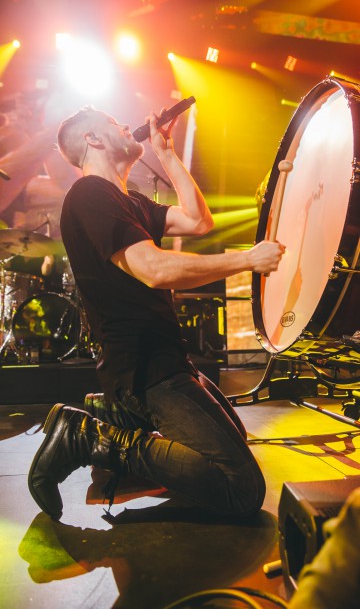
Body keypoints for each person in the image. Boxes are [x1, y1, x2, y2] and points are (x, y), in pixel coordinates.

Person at [28, 104, 285, 521]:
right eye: (114, 123)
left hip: (165, 362)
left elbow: (198, 221)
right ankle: (91, 438)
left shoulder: (127, 200)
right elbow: (154, 269)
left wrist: (166, 153)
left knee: (232, 443)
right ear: (93, 139)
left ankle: (114, 414)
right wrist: (248, 260)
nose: (127, 126)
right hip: (146, 371)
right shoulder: (90, 194)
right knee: (241, 488)